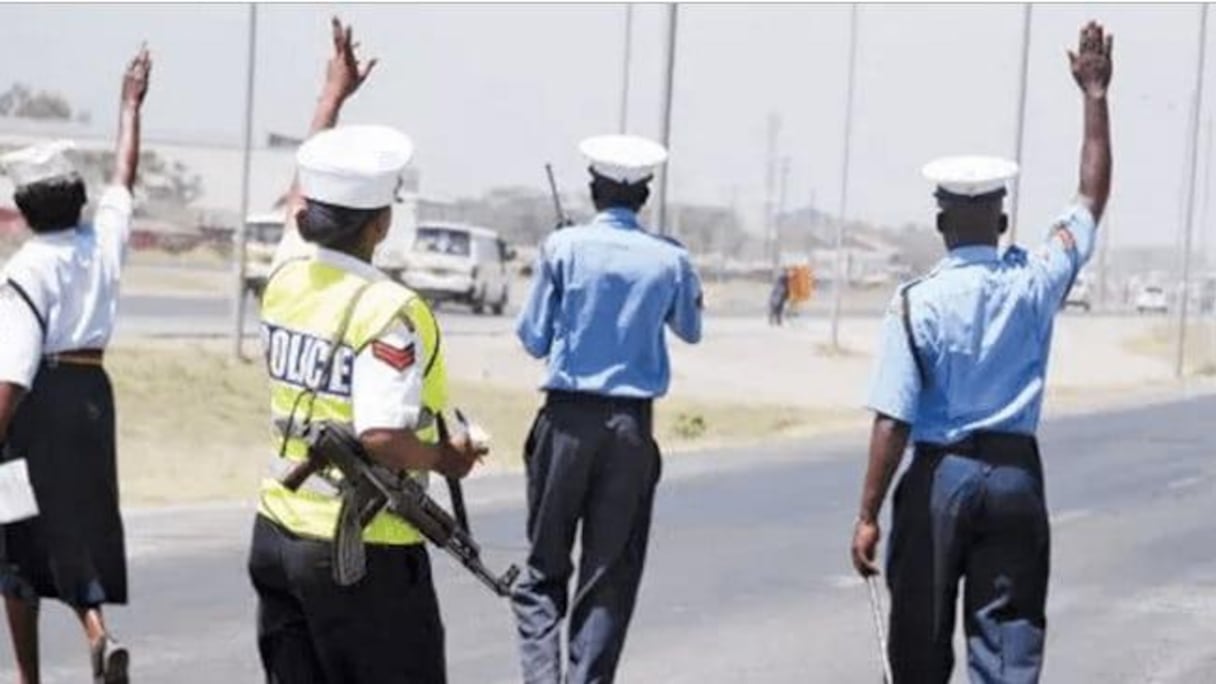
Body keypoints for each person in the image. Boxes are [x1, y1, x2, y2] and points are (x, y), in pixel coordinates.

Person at [849, 21, 1112, 684]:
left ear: (941, 222)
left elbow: (892, 419)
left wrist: (867, 515)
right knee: (1009, 644)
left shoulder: (915, 302)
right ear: (1001, 221)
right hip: (1016, 477)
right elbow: (1090, 195)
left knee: (919, 641)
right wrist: (1094, 95)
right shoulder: (1034, 281)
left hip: (938, 479)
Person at [245, 18, 484, 683]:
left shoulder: (287, 273)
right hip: (360, 552)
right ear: (381, 223)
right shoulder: (388, 310)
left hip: (277, 534)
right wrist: (447, 459)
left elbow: (303, 186)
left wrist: (331, 97)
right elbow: (381, 432)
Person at [512, 134, 703, 683]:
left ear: (594, 191)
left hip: (566, 418)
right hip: (630, 428)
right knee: (608, 573)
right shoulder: (671, 257)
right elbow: (689, 328)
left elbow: (532, 337)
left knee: (544, 568)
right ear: (643, 195)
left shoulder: (564, 248)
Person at [0, 45, 151, 684]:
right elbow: (125, 176)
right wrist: (129, 105)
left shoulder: (28, 268)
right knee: (74, 523)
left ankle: (29, 677)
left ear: (26, 211)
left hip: (40, 403)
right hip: (94, 394)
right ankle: (97, 631)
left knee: (13, 539)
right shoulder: (102, 243)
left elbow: (12, 372)